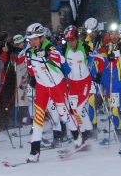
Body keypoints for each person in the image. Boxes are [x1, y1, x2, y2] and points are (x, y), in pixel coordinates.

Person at [18, 22, 83, 157]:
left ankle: (77, 136)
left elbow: (63, 63)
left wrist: (48, 54)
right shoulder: (29, 52)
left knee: (64, 115)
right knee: (38, 117)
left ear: (42, 38)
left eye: (35, 39)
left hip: (57, 86)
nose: (33, 43)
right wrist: (32, 79)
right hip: (42, 87)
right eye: (30, 40)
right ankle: (34, 151)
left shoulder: (52, 48)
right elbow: (29, 66)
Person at [62, 25, 94, 142]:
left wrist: (97, 73)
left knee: (79, 108)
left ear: (77, 38)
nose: (71, 43)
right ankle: (86, 131)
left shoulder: (85, 47)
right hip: (72, 83)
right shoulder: (64, 49)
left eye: (73, 40)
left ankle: (87, 132)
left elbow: (98, 58)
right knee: (74, 109)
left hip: (85, 82)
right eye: (68, 41)